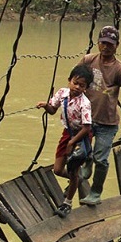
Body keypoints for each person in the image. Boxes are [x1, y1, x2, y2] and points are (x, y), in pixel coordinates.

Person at [77, 26, 121, 206]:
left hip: (107, 122)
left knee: (101, 159)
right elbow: (74, 80)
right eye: (103, 43)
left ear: (117, 46)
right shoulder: (88, 60)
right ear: (98, 43)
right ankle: (86, 162)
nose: (106, 47)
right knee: (81, 152)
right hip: (86, 118)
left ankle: (95, 193)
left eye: (110, 44)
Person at [36, 64, 94, 218]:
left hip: (81, 136)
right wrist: (45, 106)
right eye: (75, 83)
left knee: (73, 169)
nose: (77, 87)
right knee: (58, 169)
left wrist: (71, 143)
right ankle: (77, 179)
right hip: (67, 133)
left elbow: (87, 128)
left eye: (82, 85)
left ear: (86, 88)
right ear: (69, 81)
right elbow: (53, 110)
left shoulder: (85, 103)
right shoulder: (62, 93)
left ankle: (67, 203)